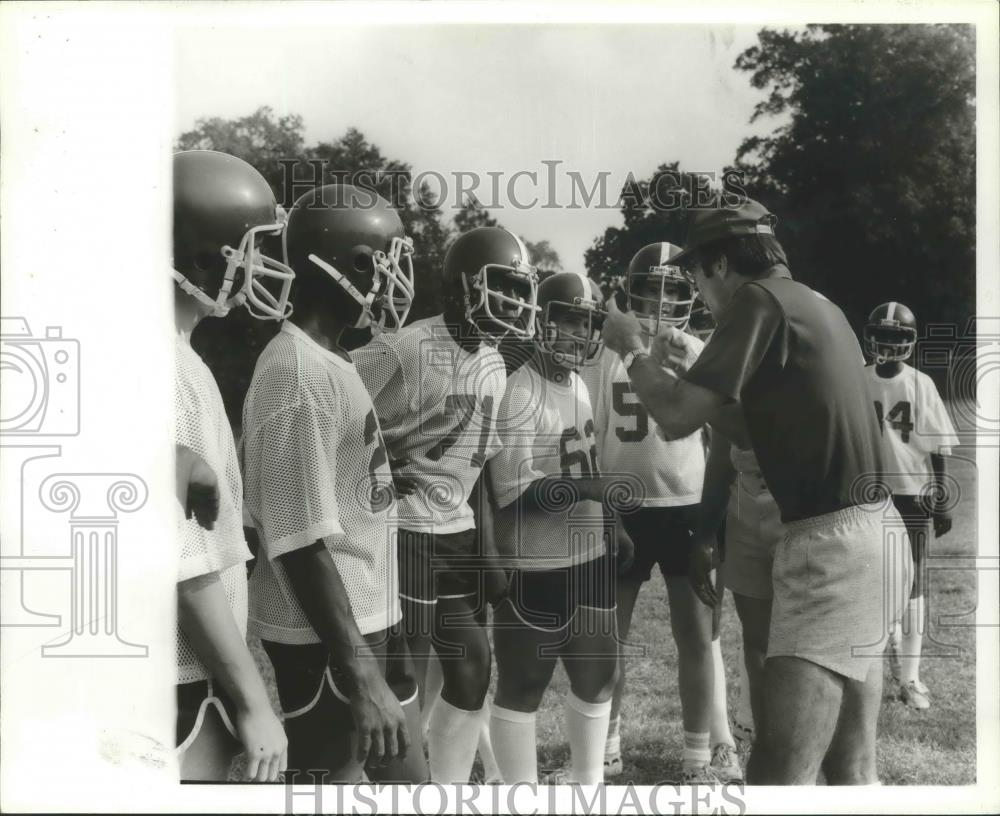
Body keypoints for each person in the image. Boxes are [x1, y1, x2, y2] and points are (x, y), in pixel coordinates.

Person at [602, 198, 911, 785]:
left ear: (719, 265)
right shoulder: (815, 302)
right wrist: (684, 371)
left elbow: (674, 418)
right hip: (874, 534)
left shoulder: (756, 301)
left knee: (777, 774)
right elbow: (748, 429)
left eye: (695, 273)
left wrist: (632, 349)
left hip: (833, 550)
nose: (697, 288)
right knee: (850, 768)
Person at [240, 183, 426, 783]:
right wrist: (360, 670)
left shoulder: (331, 359)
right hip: (326, 634)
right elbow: (298, 537)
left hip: (364, 613)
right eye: (388, 263)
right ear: (354, 266)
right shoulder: (298, 372)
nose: (396, 282)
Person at [352, 226, 538, 783]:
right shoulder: (403, 349)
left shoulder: (495, 363)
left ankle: (448, 788)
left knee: (473, 667)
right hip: (402, 532)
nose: (515, 302)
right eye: (502, 287)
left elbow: (477, 468)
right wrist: (377, 488)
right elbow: (338, 423)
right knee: (400, 674)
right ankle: (387, 781)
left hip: (455, 532)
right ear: (462, 286)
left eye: (520, 290)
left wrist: (489, 551)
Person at [584, 244, 739, 783]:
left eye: (675, 288)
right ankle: (606, 745)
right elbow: (591, 435)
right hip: (622, 507)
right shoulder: (604, 356)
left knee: (697, 635)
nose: (664, 298)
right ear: (633, 291)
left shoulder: (699, 349)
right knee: (611, 636)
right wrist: (605, 509)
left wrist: (718, 523)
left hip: (687, 507)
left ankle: (700, 755)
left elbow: (723, 439)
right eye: (653, 288)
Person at [487, 271, 633, 785]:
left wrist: (611, 522)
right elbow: (513, 489)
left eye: (588, 323)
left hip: (588, 554)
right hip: (533, 559)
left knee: (599, 678)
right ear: (540, 321)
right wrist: (590, 493)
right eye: (568, 321)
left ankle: (588, 788)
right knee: (523, 686)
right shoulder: (516, 389)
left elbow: (586, 462)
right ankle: (518, 794)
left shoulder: (580, 385)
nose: (579, 334)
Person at [172, 149, 289, 782]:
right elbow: (184, 563)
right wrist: (251, 699)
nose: (259, 266)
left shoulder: (180, 355)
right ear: (200, 255)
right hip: (181, 675)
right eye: (247, 249)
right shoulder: (167, 368)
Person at [863, 301, 958, 710]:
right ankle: (877, 664)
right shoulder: (857, 380)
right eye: (882, 336)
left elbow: (938, 445)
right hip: (867, 493)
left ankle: (911, 677)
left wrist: (941, 495)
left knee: (915, 584)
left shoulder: (920, 384)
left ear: (909, 342)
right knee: (871, 582)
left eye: (896, 337)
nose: (887, 344)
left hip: (913, 494)